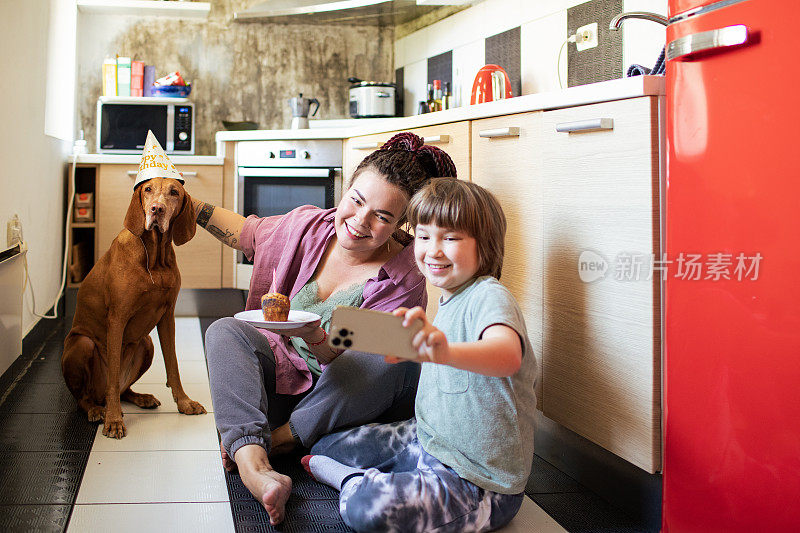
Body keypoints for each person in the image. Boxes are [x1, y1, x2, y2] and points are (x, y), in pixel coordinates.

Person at [196, 132, 457, 525]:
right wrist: (189, 204)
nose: (359, 221)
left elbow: (354, 356)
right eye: (356, 200)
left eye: (382, 217)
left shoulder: (404, 274)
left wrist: (315, 335)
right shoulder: (310, 226)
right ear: (345, 188)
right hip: (284, 379)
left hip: (339, 397)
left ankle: (274, 441)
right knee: (224, 331)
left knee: (396, 354)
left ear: (401, 223)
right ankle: (254, 465)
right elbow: (246, 231)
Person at [301, 178, 538, 532]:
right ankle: (382, 475)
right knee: (327, 444)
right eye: (424, 237)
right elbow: (410, 346)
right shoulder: (453, 296)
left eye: (451, 238)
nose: (432, 250)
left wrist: (443, 351)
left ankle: (353, 482)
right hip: (427, 440)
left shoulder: (490, 296)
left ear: (485, 246)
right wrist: (335, 333)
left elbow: (507, 356)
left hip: (476, 479)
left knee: (364, 508)